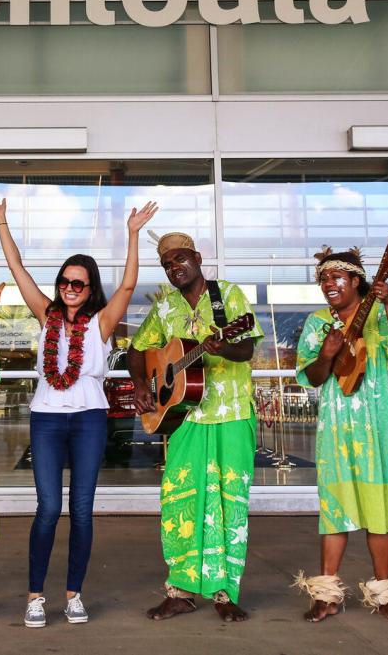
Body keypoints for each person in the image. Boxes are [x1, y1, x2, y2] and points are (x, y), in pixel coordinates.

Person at [0, 196, 157, 628]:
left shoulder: (101, 323)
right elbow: (18, 271)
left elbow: (130, 286)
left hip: (89, 420)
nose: (70, 288)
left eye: (79, 283)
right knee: (47, 507)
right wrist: (2, 222)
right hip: (47, 418)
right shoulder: (46, 315)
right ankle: (35, 596)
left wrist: (133, 235)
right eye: (65, 281)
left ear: (90, 287)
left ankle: (74, 594)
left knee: (81, 508)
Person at [127, 232, 263, 622]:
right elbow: (138, 351)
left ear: (198, 258)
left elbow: (248, 349)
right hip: (187, 416)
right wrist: (141, 385)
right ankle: (180, 590)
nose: (175, 268)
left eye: (180, 260)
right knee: (179, 498)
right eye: (168, 264)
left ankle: (225, 592)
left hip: (232, 414)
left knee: (228, 500)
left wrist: (223, 346)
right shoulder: (166, 307)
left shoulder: (228, 296)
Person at [293, 246, 388, 622]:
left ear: (357, 280)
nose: (328, 284)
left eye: (337, 277)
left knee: (383, 511)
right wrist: (326, 355)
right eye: (322, 279)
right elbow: (314, 378)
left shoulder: (382, 317)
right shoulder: (319, 322)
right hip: (336, 429)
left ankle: (384, 594)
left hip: (382, 428)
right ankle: (326, 594)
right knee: (334, 512)